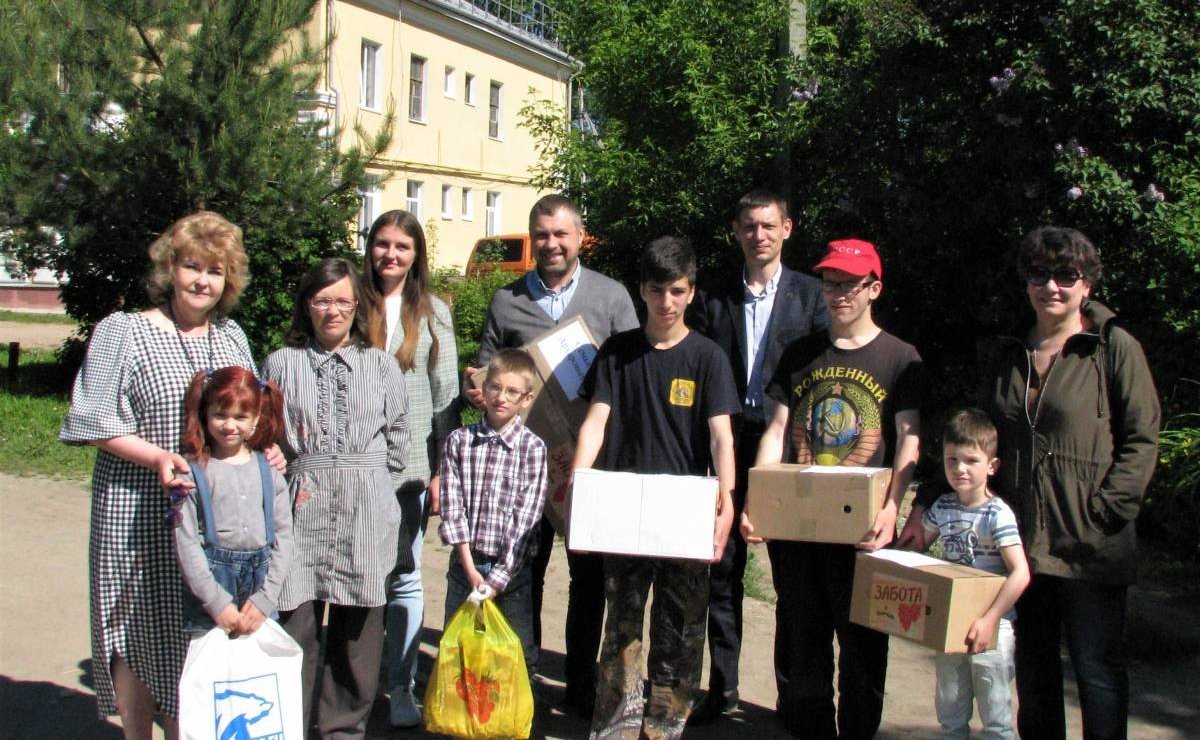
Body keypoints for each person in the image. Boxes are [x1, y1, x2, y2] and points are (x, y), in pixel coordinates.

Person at [905, 227, 1158, 740]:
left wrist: (1106, 510)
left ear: (1087, 284)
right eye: (1040, 275)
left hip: (1090, 542)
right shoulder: (1009, 352)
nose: (1052, 287)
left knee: (1097, 671)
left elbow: (1142, 439)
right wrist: (928, 500)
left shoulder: (1113, 349)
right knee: (1035, 673)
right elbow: (973, 437)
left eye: (1066, 276)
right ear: (1026, 283)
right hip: (1019, 542)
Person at [60, 211, 258, 739]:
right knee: (134, 626)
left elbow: (250, 416)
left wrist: (270, 451)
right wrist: (156, 458)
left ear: (227, 281)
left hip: (208, 515)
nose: (202, 281)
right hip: (137, 505)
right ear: (170, 269)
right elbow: (92, 418)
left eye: (215, 272)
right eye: (192, 266)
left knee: (193, 629)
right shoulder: (123, 331)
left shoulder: (232, 339)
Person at [465, 193, 638, 717]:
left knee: (588, 582)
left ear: (580, 236)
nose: (551, 244)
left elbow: (633, 373)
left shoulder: (610, 297)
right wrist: (477, 386)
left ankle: (582, 686)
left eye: (561, 234)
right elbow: (483, 368)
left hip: (584, 466)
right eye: (541, 234)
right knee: (522, 576)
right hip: (520, 471)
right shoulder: (506, 300)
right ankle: (523, 679)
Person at [742, 238, 923, 739]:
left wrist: (892, 507)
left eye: (849, 284)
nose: (837, 293)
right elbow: (776, 431)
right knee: (805, 647)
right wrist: (759, 500)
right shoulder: (800, 353)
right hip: (800, 533)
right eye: (829, 282)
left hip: (863, 532)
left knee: (864, 651)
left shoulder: (899, 357)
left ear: (874, 288)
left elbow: (909, 439)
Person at [574, 236, 740, 740]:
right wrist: (580, 483)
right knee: (621, 629)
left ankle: (664, 726)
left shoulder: (707, 357)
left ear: (691, 291)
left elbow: (721, 437)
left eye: (675, 290)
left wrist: (726, 501)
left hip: (684, 515)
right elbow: (594, 423)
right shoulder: (618, 352)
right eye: (654, 290)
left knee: (681, 633)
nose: (665, 302)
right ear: (640, 291)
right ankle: (617, 726)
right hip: (623, 512)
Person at [687, 189, 829, 723]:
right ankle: (721, 689)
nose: (759, 235)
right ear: (736, 230)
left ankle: (792, 698)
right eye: (749, 226)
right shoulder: (714, 297)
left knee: (791, 577)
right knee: (721, 573)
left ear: (787, 229)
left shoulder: (813, 298)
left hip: (786, 448)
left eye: (768, 225)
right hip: (726, 443)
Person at [262, 258, 410, 738]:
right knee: (294, 622)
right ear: (307, 305)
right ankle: (288, 724)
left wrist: (361, 480)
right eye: (322, 300)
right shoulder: (282, 363)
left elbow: (399, 441)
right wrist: (286, 460)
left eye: (343, 301)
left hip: (365, 507)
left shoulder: (381, 363)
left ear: (358, 306)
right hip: (301, 507)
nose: (333, 311)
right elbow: (266, 434)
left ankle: (342, 730)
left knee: (357, 632)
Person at [359, 210, 460, 728]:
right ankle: (350, 687)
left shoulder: (434, 311)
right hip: (351, 467)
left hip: (410, 469)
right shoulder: (351, 303)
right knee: (352, 576)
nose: (390, 255)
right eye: (382, 244)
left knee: (403, 576)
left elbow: (447, 397)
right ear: (369, 247)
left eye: (401, 246)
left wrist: (442, 470)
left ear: (416, 254)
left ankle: (401, 686)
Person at [918, 409, 1029, 740]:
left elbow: (1020, 573)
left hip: (993, 629)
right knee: (950, 711)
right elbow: (914, 549)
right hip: (950, 624)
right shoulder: (943, 507)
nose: (960, 469)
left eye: (970, 460)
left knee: (996, 718)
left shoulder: (998, 515)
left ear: (991, 466)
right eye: (952, 460)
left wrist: (990, 619)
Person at [438, 348, 549, 670]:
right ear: (483, 390)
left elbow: (526, 519)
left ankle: (513, 718)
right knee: (459, 647)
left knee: (515, 651)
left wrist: (498, 577)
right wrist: (470, 567)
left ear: (526, 399)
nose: (502, 397)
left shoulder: (533, 448)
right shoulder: (459, 442)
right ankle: (459, 717)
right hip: (466, 566)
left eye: (512, 391)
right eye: (495, 387)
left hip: (513, 571)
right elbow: (452, 504)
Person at [172, 366, 293, 638]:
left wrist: (266, 598)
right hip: (210, 595)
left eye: (240, 417)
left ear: (255, 418)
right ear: (205, 413)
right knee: (212, 674)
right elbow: (187, 543)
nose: (229, 425)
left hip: (260, 594)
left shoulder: (270, 471)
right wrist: (216, 602)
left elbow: (284, 538)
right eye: (220, 415)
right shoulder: (192, 473)